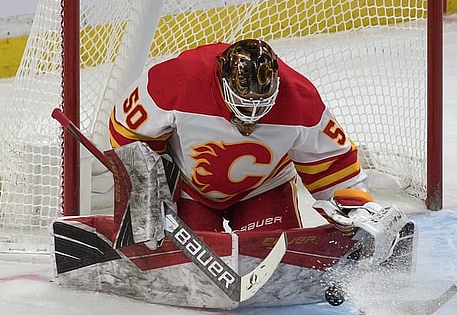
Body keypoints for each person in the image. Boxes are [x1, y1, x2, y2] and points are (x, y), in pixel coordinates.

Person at [108, 39, 387, 237]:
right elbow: (126, 132)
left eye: (261, 103)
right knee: (184, 267)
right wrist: (150, 188)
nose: (252, 114)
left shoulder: (301, 99)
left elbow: (333, 164)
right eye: (243, 103)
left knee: (278, 263)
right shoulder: (176, 80)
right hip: (188, 188)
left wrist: (354, 208)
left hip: (265, 188)